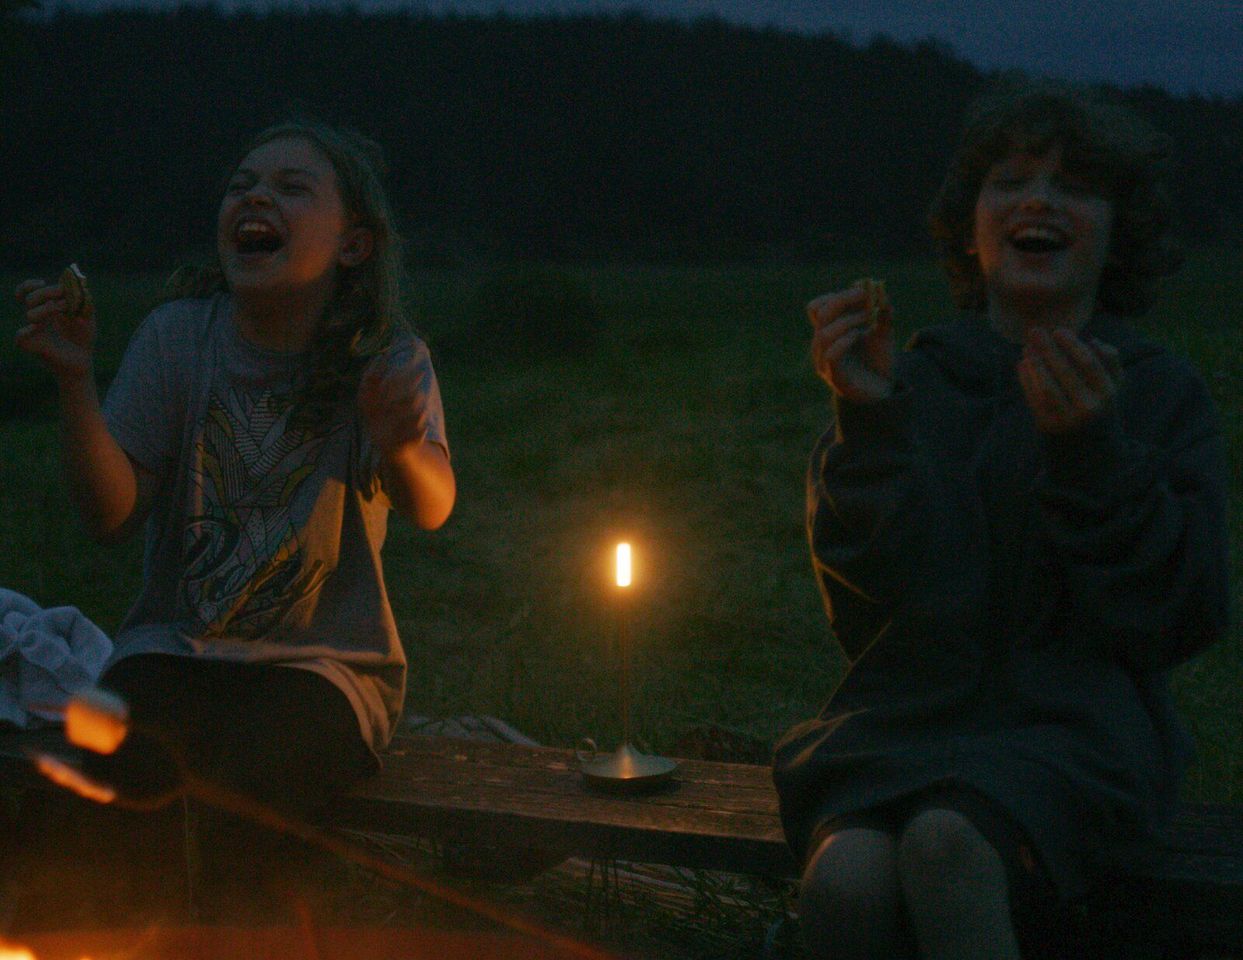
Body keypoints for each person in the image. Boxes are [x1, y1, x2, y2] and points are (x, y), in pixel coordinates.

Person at [772, 80, 1229, 960]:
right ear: (970, 227)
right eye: (1010, 181)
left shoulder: (1154, 392)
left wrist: (1092, 453)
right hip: (905, 722)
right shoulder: (914, 381)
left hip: (1075, 737)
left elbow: (1178, 616)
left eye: (1074, 187)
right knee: (843, 881)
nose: (1037, 202)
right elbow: (865, 609)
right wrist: (867, 422)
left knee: (945, 849)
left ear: (1118, 231)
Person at [13, 120, 455, 818]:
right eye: (241, 185)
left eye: (292, 187)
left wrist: (401, 447)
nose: (256, 198)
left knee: (253, 788)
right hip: (171, 652)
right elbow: (111, 516)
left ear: (353, 245)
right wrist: (75, 381)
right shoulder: (177, 337)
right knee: (107, 776)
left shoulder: (384, 357)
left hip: (324, 669)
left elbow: (432, 507)